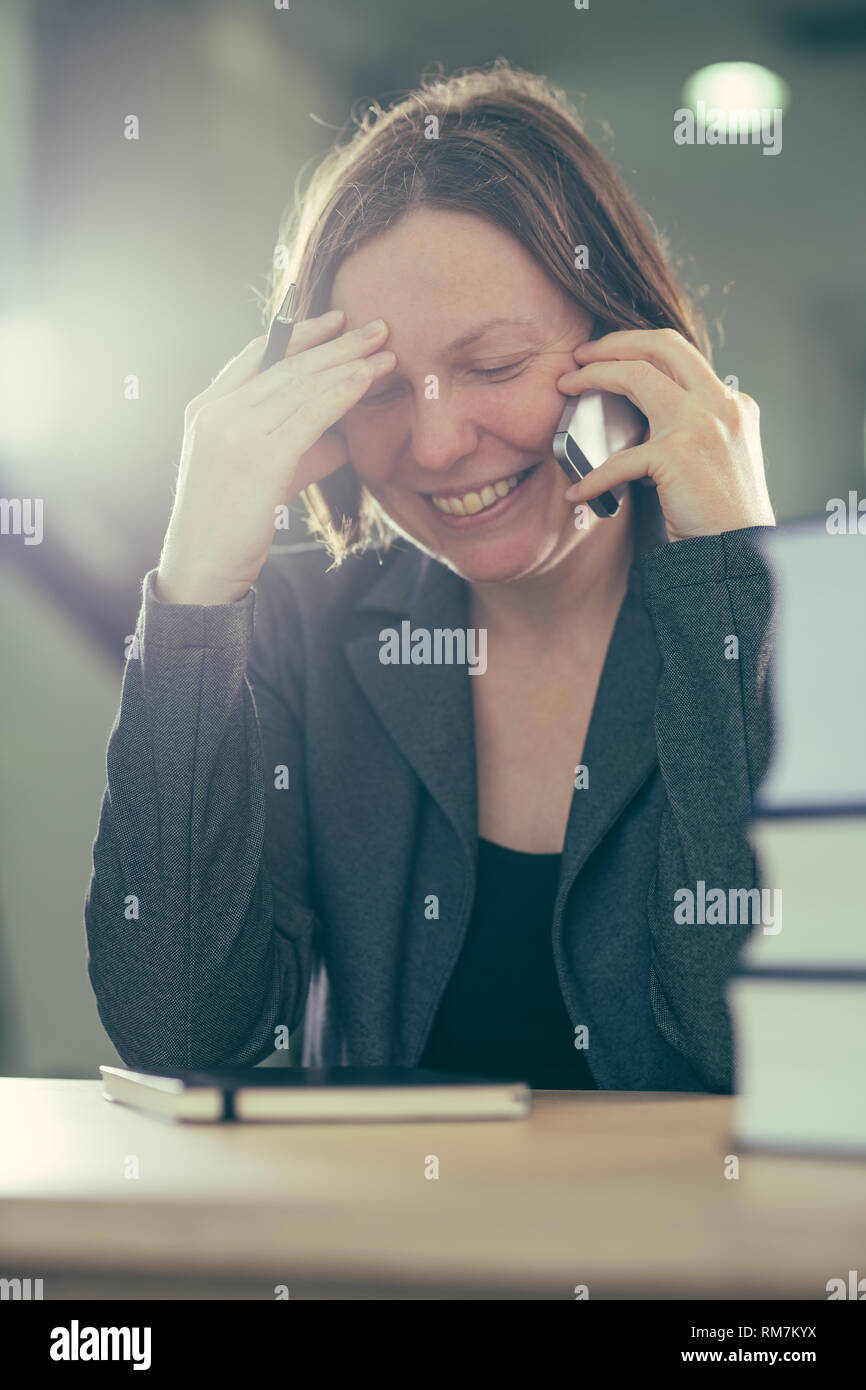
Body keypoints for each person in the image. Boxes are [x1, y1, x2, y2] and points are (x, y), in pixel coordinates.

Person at [85, 63, 775, 1091]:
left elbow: (759, 1050)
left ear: (628, 346)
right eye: (378, 391)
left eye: (493, 367)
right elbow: (180, 1025)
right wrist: (195, 582)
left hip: (692, 1256)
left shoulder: (800, 623)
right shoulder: (296, 634)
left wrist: (732, 587)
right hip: (382, 1256)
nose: (440, 443)